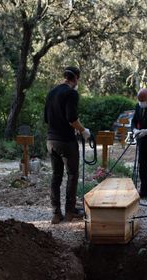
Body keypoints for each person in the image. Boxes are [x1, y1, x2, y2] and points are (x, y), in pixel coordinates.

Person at [44, 66, 91, 224]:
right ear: (76, 79)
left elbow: (47, 118)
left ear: (65, 77)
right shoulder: (71, 93)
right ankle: (70, 212)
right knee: (72, 175)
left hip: (51, 141)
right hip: (66, 142)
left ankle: (56, 214)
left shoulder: (51, 93)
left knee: (56, 176)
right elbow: (71, 118)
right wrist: (83, 131)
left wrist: (73, 127)